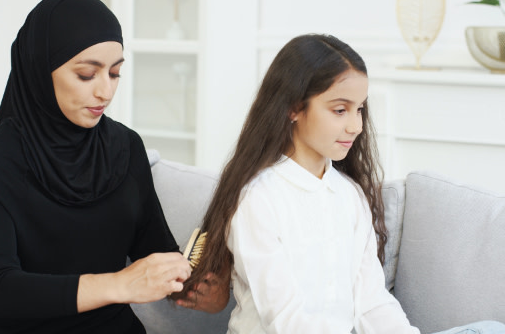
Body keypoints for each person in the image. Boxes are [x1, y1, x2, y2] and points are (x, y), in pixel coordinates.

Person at [179, 34, 505, 333]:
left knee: (490, 328)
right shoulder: (259, 198)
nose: (356, 125)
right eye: (340, 110)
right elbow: (285, 319)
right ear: (294, 107)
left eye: (359, 109)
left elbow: (372, 304)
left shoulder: (348, 196)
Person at [0, 0, 227, 334]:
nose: (105, 92)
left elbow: (157, 254)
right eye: (87, 75)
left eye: (115, 73)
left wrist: (199, 289)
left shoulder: (126, 147)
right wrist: (119, 284)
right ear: (40, 68)